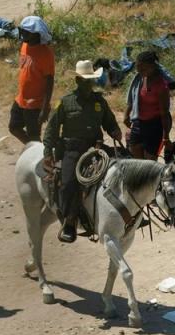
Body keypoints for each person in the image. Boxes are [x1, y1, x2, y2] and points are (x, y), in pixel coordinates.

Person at [43, 60, 123, 243]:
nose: (89, 84)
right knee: (69, 182)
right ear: (78, 80)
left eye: (91, 81)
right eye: (86, 81)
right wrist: (47, 151)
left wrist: (115, 131)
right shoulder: (65, 102)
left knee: (124, 167)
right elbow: (52, 129)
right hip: (73, 150)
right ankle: (70, 221)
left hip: (95, 148)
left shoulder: (99, 101)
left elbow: (109, 122)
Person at [9, 15, 55, 144]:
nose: (22, 35)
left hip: (35, 104)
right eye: (22, 31)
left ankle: (40, 158)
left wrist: (44, 108)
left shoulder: (45, 54)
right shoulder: (25, 45)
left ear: (35, 34)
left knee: (34, 135)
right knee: (14, 127)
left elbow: (49, 82)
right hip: (21, 99)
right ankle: (34, 150)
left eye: (25, 32)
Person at [123, 50, 175, 160]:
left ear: (153, 67)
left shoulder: (161, 86)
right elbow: (133, 97)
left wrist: (165, 137)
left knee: (150, 163)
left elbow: (164, 113)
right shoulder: (140, 79)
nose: (139, 71)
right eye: (138, 67)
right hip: (139, 123)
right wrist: (126, 114)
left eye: (143, 68)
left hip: (155, 126)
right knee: (136, 160)